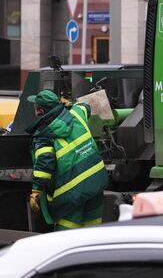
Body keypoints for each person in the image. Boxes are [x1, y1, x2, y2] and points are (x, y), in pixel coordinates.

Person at [25, 90, 107, 231]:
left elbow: (44, 165)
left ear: (39, 110)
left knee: (68, 230)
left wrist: (36, 191)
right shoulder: (76, 114)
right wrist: (70, 104)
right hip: (96, 181)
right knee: (93, 228)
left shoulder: (43, 136)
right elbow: (84, 106)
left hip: (73, 190)